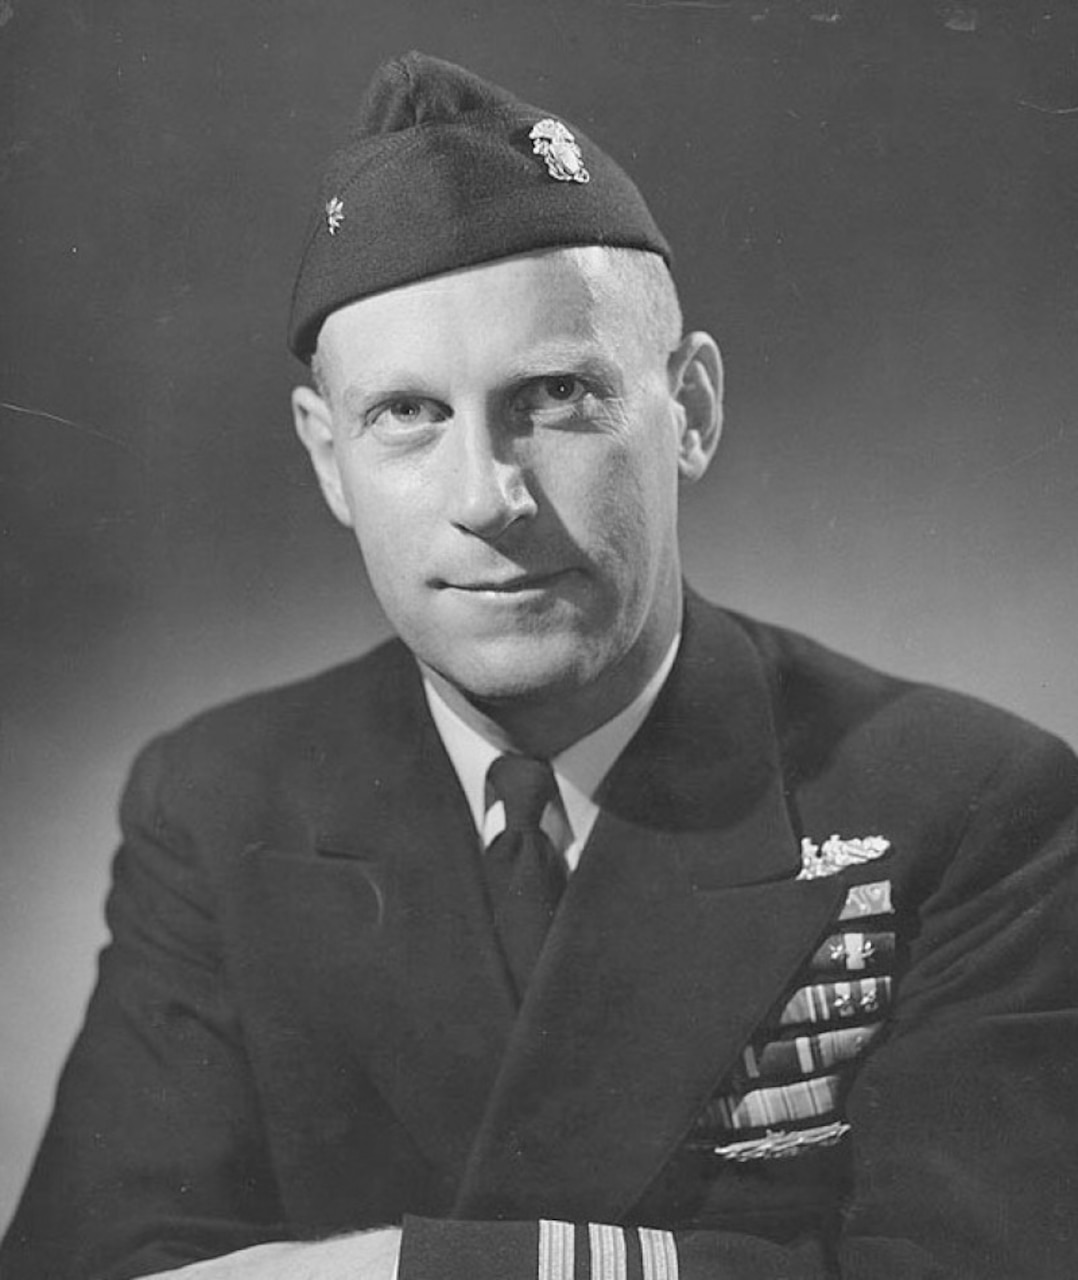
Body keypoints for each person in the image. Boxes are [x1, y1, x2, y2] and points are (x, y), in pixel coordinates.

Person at [3, 50, 1077, 1280]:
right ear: (324, 456)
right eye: (406, 414)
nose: (487, 497)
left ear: (692, 409)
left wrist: (395, 1269)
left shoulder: (970, 803)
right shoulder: (217, 799)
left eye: (556, 394)